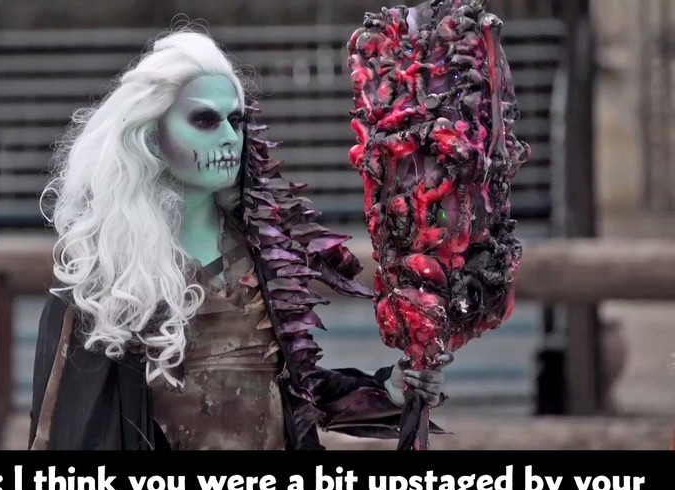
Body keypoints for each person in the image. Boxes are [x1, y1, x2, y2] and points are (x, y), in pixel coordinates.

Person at [27, 28, 450, 451]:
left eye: (235, 120)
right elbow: (69, 428)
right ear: (152, 132)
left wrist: (389, 390)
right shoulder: (106, 270)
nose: (229, 136)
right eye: (205, 120)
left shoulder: (265, 249)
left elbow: (294, 394)